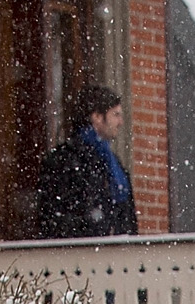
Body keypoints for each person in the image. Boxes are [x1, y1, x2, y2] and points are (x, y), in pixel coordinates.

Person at [33, 86, 138, 240]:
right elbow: (54, 217)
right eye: (115, 115)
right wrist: (91, 225)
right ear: (97, 117)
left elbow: (126, 217)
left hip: (112, 256)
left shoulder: (112, 163)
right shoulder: (66, 160)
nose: (121, 122)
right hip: (79, 256)